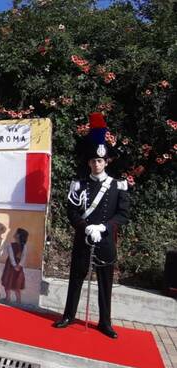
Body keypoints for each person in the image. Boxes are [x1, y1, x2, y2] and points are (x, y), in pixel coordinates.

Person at [52, 112, 130, 339]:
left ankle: (105, 322)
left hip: (105, 240)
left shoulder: (119, 186)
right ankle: (68, 316)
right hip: (83, 238)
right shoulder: (79, 184)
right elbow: (71, 210)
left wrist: (103, 228)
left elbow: (123, 215)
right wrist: (84, 226)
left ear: (106, 162)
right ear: (89, 162)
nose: (97, 164)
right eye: (94, 161)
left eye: (100, 161)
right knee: (76, 278)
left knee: (105, 282)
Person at [1, 228, 29, 303]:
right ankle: (8, 297)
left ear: (19, 235)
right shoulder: (10, 245)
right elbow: (11, 256)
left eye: (16, 232)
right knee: (8, 281)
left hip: (16, 267)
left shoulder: (24, 246)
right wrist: (15, 265)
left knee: (17, 283)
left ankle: (18, 300)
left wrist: (19, 265)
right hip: (10, 266)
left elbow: (24, 257)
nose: (15, 233)